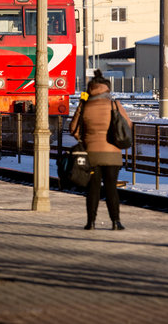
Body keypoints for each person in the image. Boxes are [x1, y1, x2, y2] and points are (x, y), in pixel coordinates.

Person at [69, 69, 130, 231]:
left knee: (93, 189)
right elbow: (128, 126)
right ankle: (116, 222)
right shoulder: (115, 105)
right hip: (112, 155)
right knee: (111, 189)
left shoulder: (85, 105)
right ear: (107, 88)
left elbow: (74, 129)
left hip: (91, 155)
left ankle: (91, 223)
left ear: (90, 88)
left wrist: (85, 139)